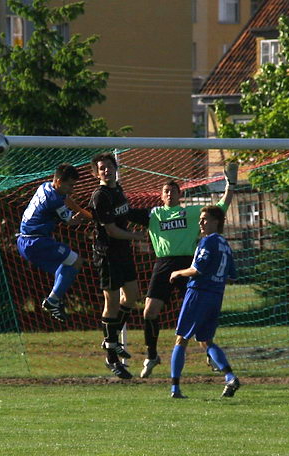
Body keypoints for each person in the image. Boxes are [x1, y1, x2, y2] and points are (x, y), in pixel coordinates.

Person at [139, 162, 237, 378]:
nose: (170, 194)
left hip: (187, 264)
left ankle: (209, 353)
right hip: (163, 265)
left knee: (197, 314)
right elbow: (124, 215)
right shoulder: (154, 215)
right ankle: (152, 355)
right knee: (149, 312)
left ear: (179, 195)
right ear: (161, 196)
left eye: (173, 191)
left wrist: (230, 186)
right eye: (166, 191)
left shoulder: (192, 213)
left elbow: (220, 208)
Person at [168, 205, 240, 399]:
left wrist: (178, 272)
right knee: (205, 340)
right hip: (216, 296)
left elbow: (197, 270)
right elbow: (232, 277)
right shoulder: (225, 244)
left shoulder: (208, 242)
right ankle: (230, 377)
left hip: (199, 293)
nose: (200, 222)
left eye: (205, 219)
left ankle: (175, 389)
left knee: (181, 338)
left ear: (216, 222)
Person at [89, 152, 150, 379]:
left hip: (122, 252)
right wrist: (137, 237)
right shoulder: (100, 196)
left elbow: (127, 214)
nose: (106, 170)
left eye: (109, 166)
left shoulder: (118, 190)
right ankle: (112, 357)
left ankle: (110, 339)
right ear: (96, 173)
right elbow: (112, 230)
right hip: (107, 255)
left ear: (115, 168)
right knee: (111, 302)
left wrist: (149, 216)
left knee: (132, 294)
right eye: (102, 168)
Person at [16, 163, 91, 323]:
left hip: (25, 240)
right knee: (75, 261)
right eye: (69, 185)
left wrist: (83, 211)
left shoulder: (45, 186)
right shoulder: (54, 199)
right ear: (58, 181)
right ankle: (52, 301)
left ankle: (54, 300)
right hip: (35, 241)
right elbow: (70, 221)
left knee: (66, 266)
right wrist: (82, 218)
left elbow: (68, 199)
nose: (72, 189)